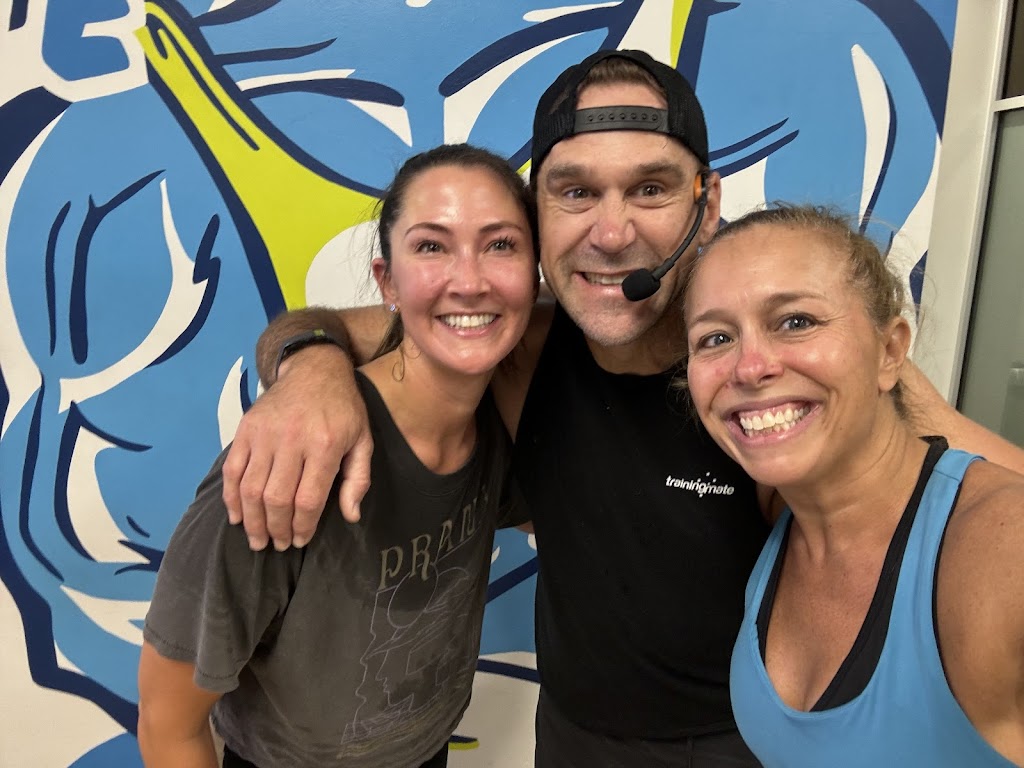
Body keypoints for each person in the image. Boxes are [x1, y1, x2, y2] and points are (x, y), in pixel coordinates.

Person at [218, 50, 1024, 766]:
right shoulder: (517, 347)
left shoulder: (777, 376)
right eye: (576, 192)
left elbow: (979, 494)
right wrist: (309, 370)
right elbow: (337, 326)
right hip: (572, 736)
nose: (611, 233)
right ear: (537, 212)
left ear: (706, 204)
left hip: (747, 739)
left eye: (650, 188)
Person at [136, 143, 539, 768]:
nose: (469, 280)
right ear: (388, 281)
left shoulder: (497, 422)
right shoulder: (291, 461)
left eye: (501, 244)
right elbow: (169, 727)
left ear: (536, 272)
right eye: (431, 246)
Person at [683, 204, 1024, 767]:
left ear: (890, 351)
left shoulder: (1002, 551)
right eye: (716, 337)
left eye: (796, 321)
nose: (749, 367)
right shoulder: (781, 519)